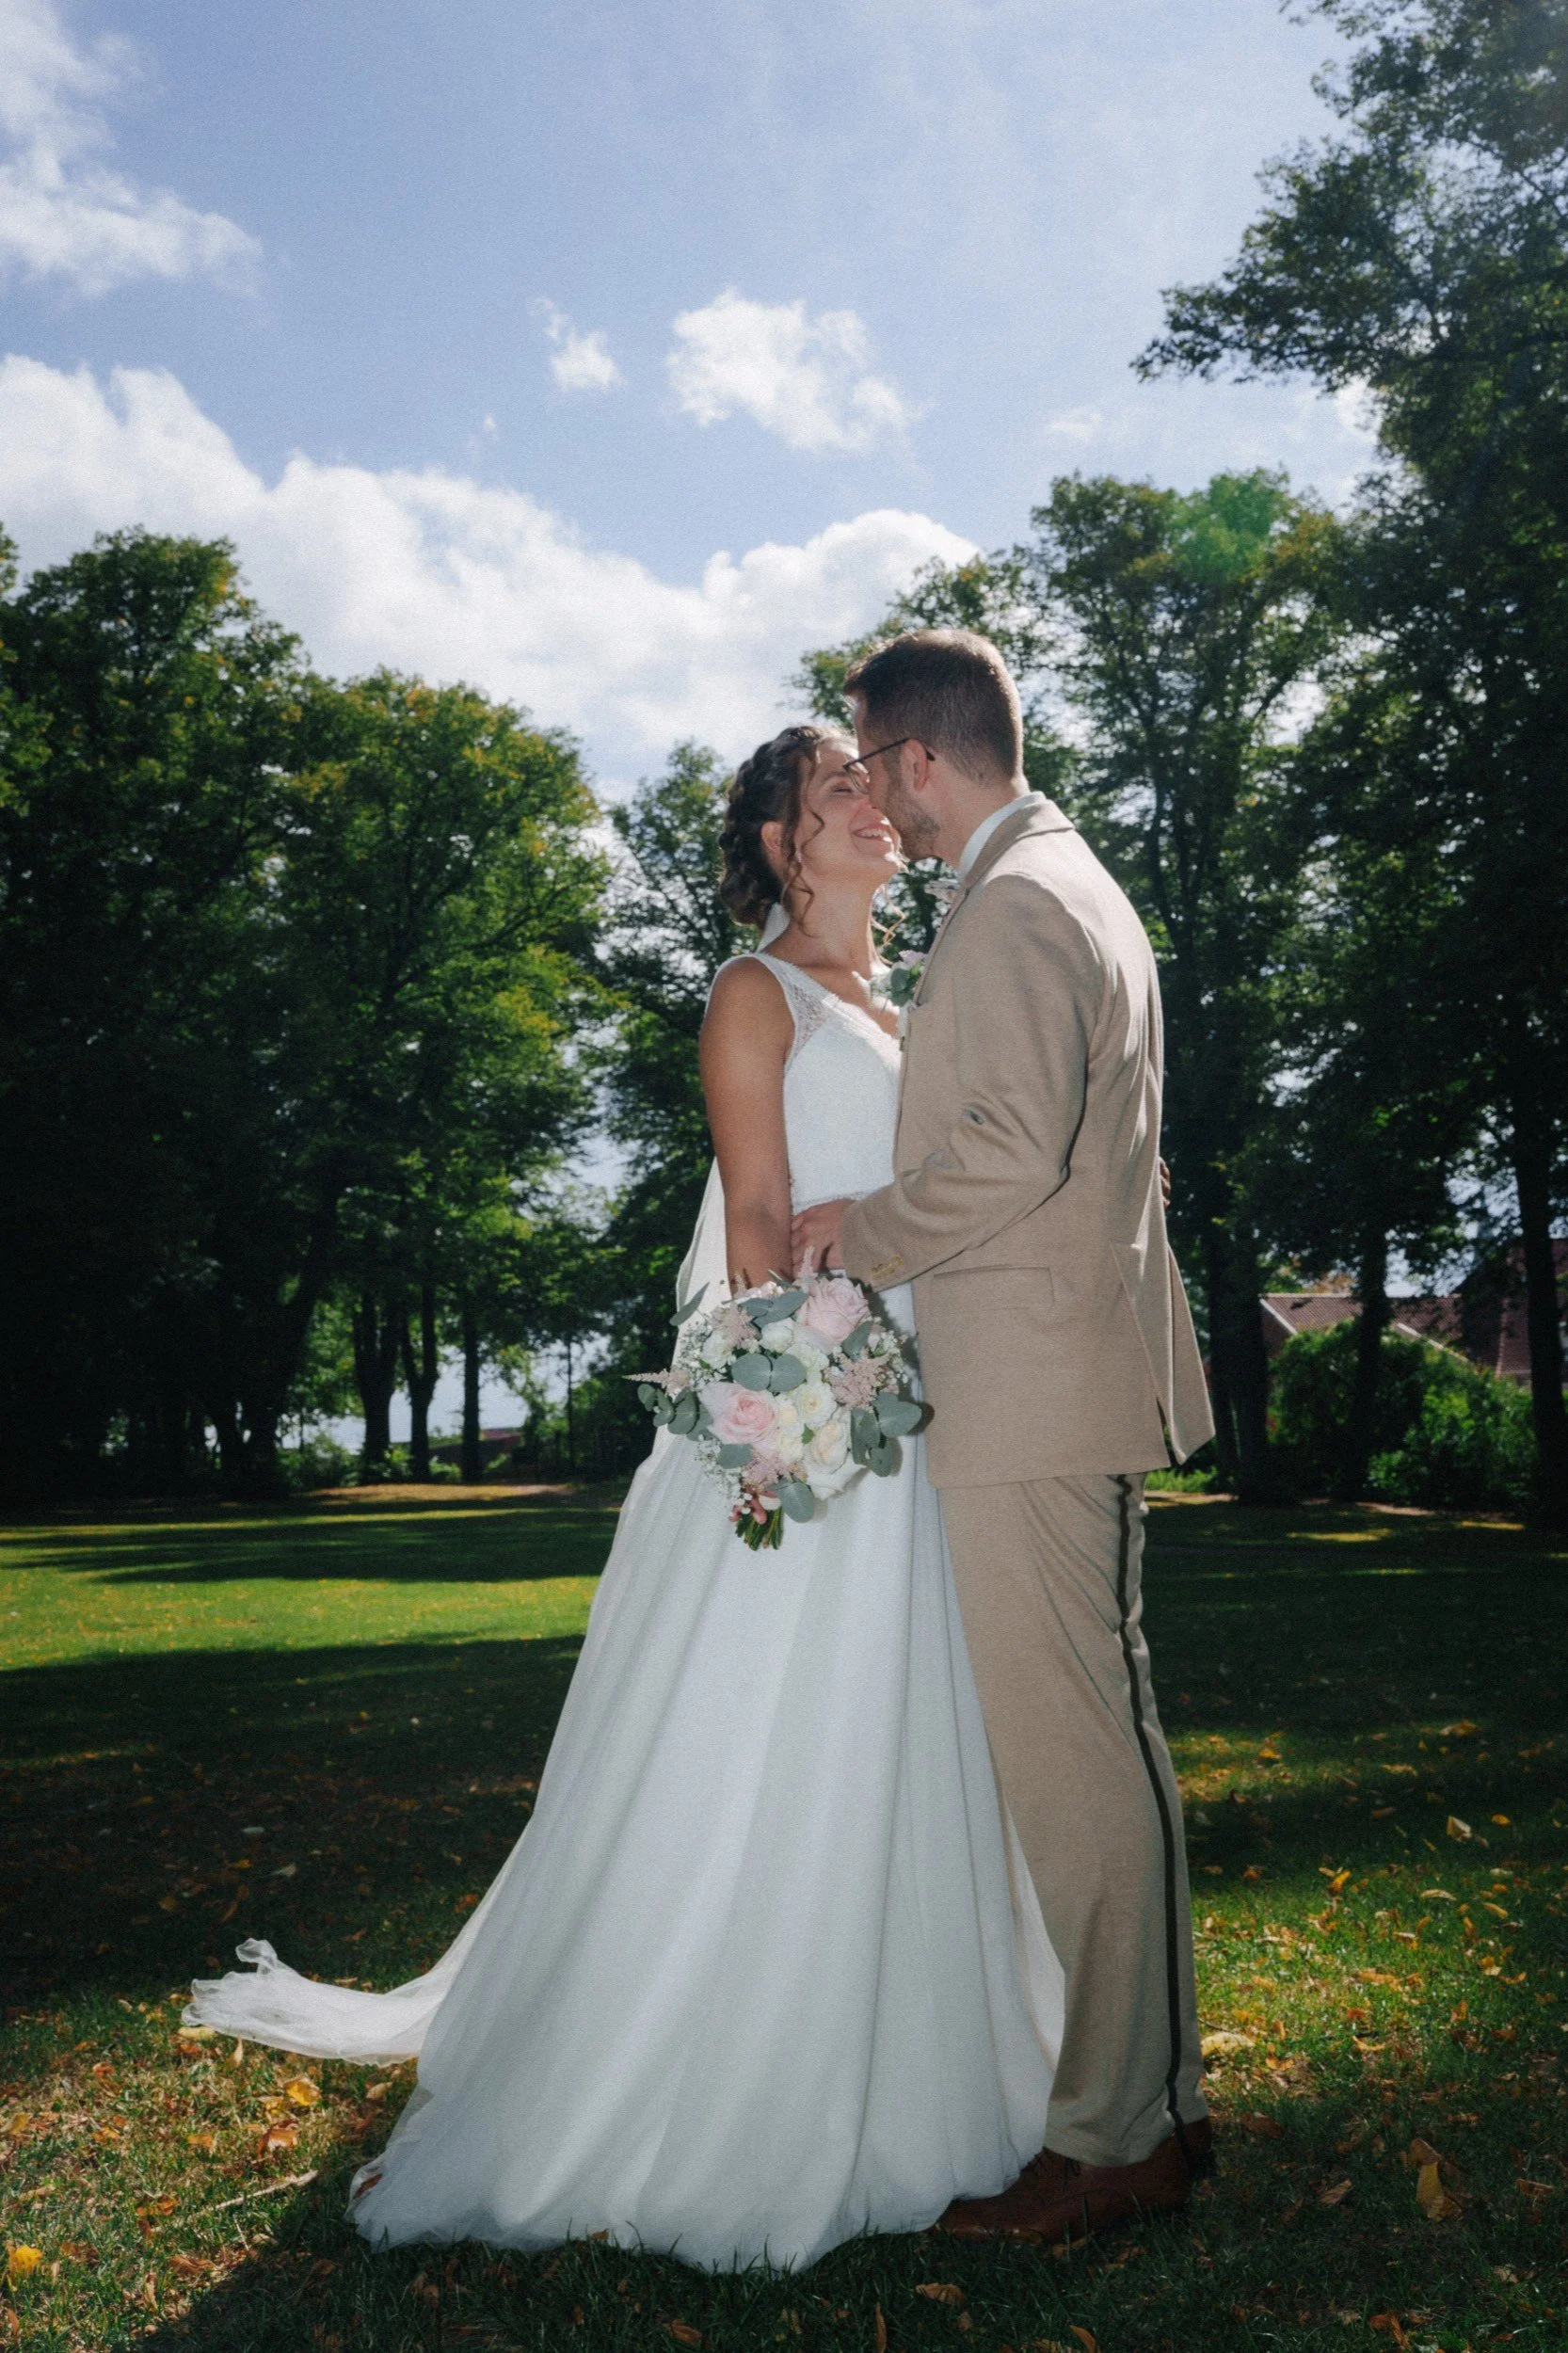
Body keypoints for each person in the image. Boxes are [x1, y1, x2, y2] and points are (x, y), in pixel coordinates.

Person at [185, 723, 1062, 2271]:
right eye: (837, 787)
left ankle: (925, 2053)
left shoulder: (910, 999)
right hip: (813, 1421)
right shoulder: (754, 994)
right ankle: (666, 2075)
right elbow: (755, 1224)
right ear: (783, 840)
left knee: (906, 1726)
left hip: (926, 1417)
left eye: (873, 780)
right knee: (761, 1730)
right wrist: (809, 1399)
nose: (871, 802)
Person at [793, 628, 1216, 2248]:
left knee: (1070, 1762)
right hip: (1065, 1373)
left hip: (1032, 1388)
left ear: (916, 755)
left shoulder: (1020, 901)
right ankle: (1154, 2100)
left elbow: (1011, 1149)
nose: (875, 799)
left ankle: (1113, 2139)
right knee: (1109, 1743)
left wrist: (856, 1231)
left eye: (871, 763)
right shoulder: (1067, 881)